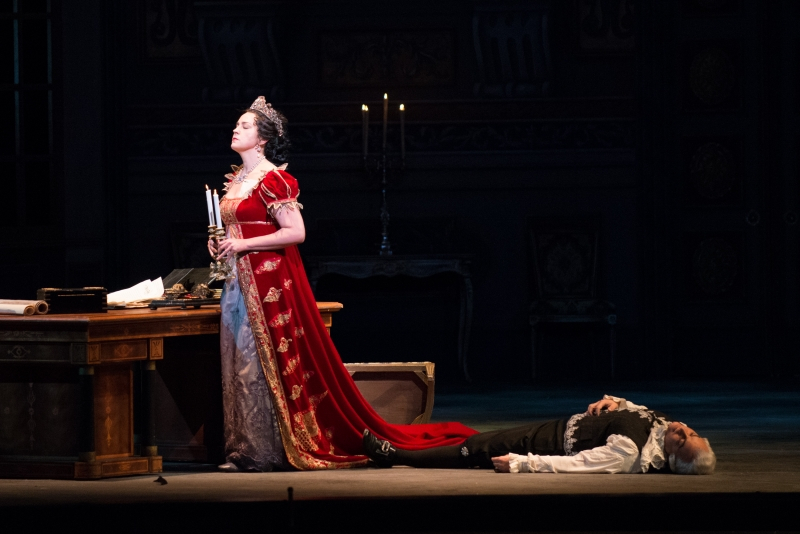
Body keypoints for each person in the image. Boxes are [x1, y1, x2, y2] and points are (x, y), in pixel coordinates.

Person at [208, 97, 476, 472]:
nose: (236, 129)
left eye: (245, 125)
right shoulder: (237, 180)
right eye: (237, 124)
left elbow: (295, 232)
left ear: (263, 138)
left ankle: (267, 452)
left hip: (268, 282)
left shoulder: (273, 180)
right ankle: (243, 449)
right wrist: (223, 243)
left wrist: (243, 244)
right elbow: (237, 230)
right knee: (240, 363)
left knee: (260, 362)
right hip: (238, 281)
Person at [362, 395, 716, 475]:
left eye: (682, 441)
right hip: (555, 428)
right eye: (691, 432)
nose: (682, 430)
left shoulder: (629, 452)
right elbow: (636, 410)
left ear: (670, 458)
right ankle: (402, 450)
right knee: (479, 442)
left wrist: (523, 464)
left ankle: (395, 455)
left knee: (476, 450)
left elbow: (579, 465)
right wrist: (615, 402)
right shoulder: (661, 424)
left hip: (546, 445)